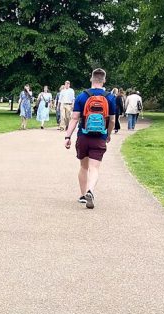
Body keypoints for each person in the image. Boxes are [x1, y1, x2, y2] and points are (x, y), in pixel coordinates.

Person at [63, 68, 117, 209]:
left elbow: (74, 118)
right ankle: (90, 190)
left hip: (83, 136)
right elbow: (112, 121)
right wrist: (108, 134)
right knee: (94, 168)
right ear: (104, 80)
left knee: (83, 166)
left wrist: (67, 136)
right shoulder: (110, 97)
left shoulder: (82, 96)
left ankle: (82, 195)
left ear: (91, 79)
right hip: (99, 137)